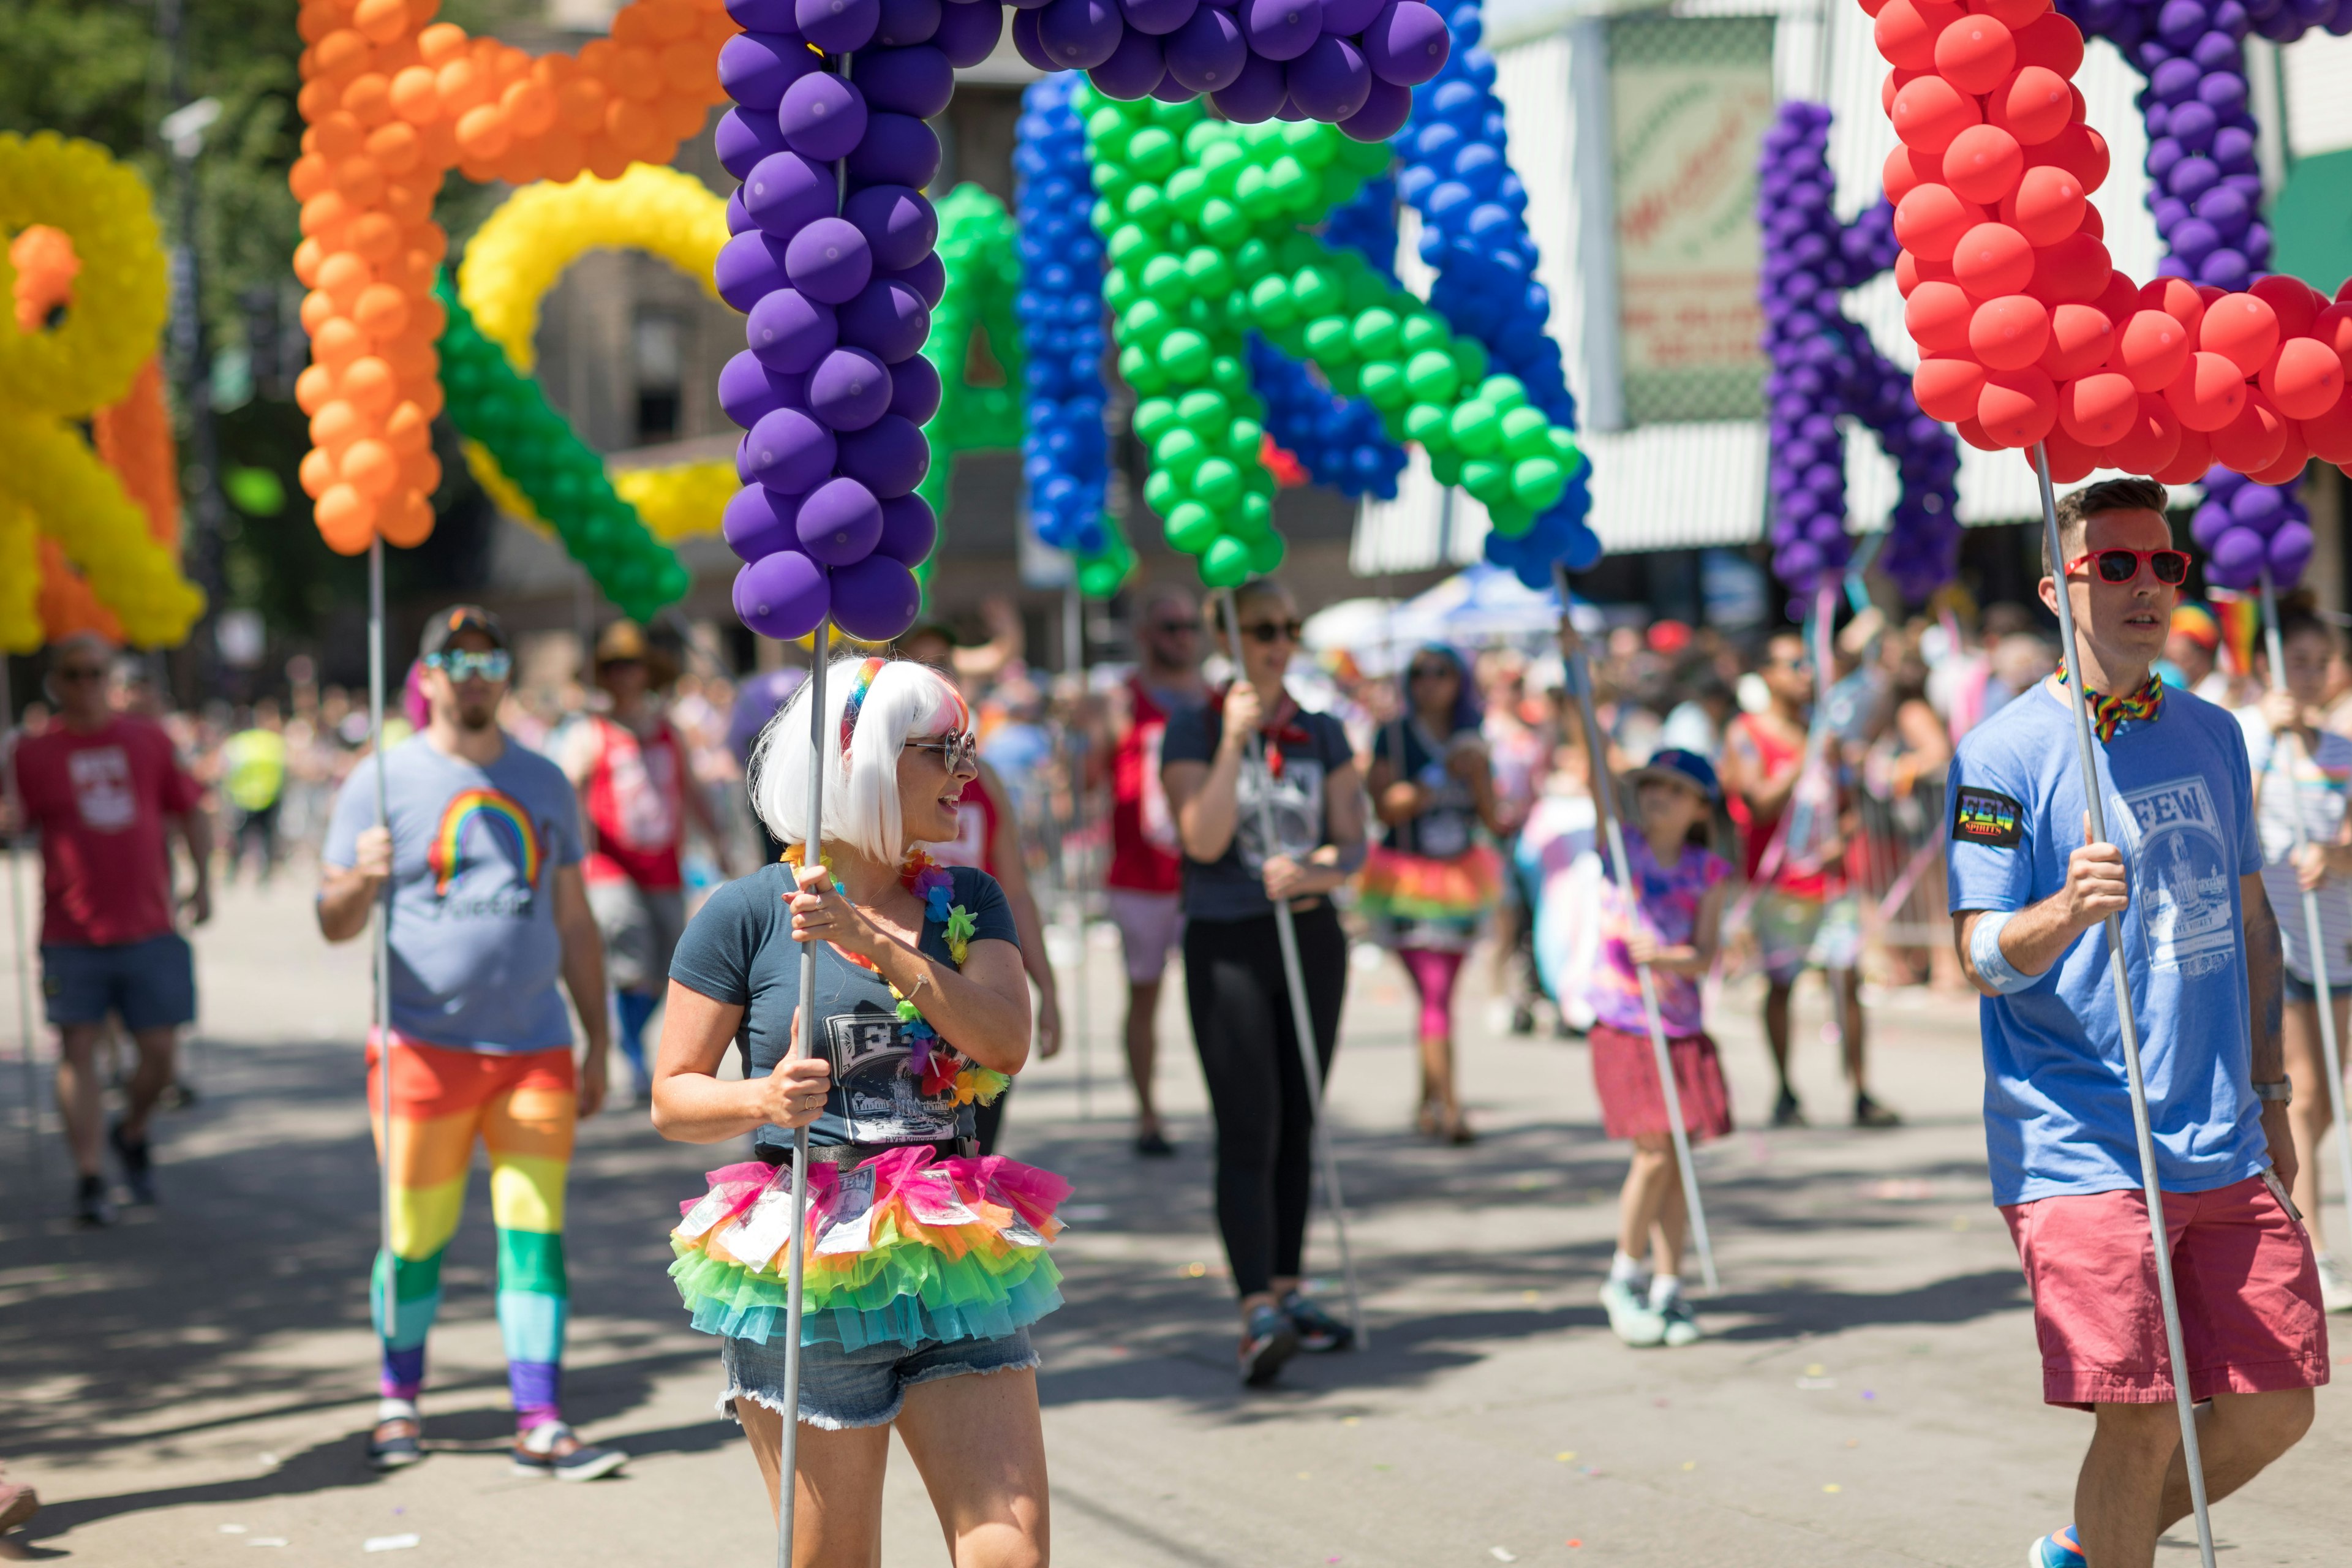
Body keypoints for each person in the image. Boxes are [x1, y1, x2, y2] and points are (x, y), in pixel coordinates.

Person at [1945, 479, 2324, 1568]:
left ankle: (2093, 1544)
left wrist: (2275, 1093)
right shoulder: (2005, 754)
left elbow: (2254, 924)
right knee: (2145, 1411)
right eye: (2116, 565)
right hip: (2081, 1144)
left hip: (2223, 1135)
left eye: (2164, 565)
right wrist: (2064, 909)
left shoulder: (2212, 732)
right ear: (2058, 589)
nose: (2148, 585)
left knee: (2275, 1408)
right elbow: (1978, 953)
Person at [650, 656, 1060, 1564]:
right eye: (943, 748)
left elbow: (1004, 1041)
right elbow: (673, 1097)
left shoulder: (968, 899)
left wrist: (872, 940)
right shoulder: (750, 912)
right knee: (835, 1558)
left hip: (954, 1249)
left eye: (971, 746)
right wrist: (763, 1095)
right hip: (812, 1257)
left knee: (1012, 1548)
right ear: (864, 758)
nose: (968, 770)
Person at [317, 606, 622, 1481]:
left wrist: (599, 1040)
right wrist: (361, 882)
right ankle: (398, 1400)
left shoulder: (544, 780)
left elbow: (574, 920)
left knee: (536, 1231)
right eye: (458, 658)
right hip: (419, 1048)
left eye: (491, 659)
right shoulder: (380, 781)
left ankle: (541, 1417)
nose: (477, 672)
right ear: (429, 673)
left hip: (534, 1049)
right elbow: (332, 920)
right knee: (416, 1234)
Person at [1163, 578, 1368, 1385]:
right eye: (1261, 629)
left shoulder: (1323, 730)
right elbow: (1201, 838)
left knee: (1299, 1115)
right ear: (1230, 638)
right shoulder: (1193, 723)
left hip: (1309, 935)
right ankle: (1256, 1308)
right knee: (1249, 1122)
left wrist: (1316, 870)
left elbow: (1354, 844)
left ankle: (1290, 1287)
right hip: (1229, 940)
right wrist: (1230, 740)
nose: (1279, 641)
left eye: (1289, 626)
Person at [4, 632, 211, 1227]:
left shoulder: (147, 739)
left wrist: (204, 883)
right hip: (70, 933)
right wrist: (9, 822)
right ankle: (91, 1175)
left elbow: (190, 807)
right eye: (74, 674)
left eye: (97, 672)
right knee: (78, 1051)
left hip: (149, 924)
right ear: (56, 682)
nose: (87, 684)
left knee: (161, 1056)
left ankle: (134, 1127)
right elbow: (13, 823)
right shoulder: (31, 754)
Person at [1582, 747, 1733, 1349]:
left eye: (1674, 789)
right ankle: (1624, 1273)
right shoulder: (1620, 849)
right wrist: (1575, 688)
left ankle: (1670, 1284)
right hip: (1626, 1023)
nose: (1658, 796)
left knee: (1676, 1161)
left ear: (1700, 807)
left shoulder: (1709, 871)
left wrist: (1665, 957)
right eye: (1651, 786)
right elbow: (1596, 777)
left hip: (1680, 1027)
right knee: (1651, 1151)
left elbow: (1702, 956)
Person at [1721, 628, 1898, 1128]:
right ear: (1766, 676)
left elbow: (1847, 803)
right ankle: (1785, 1089)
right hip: (1778, 885)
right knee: (1782, 985)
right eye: (1791, 664)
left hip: (1831, 882)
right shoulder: (1746, 734)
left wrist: (1843, 836)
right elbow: (1755, 803)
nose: (1804, 673)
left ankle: (1861, 1090)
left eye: (1806, 664)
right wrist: (1804, 759)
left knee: (1849, 981)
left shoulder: (1825, 732)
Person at [900, 625, 1061, 1155]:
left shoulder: (982, 777)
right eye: (922, 668)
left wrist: (1047, 989)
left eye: (945, 665)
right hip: (896, 992)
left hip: (978, 983)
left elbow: (1014, 891)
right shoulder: (872, 786)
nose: (937, 680)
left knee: (975, 1159)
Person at [560, 620, 734, 1098]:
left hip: (663, 864)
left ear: (645, 672)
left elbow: (694, 790)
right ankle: (627, 1050)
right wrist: (567, 848)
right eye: (614, 666)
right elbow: (569, 785)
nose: (624, 675)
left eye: (631, 665)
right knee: (628, 944)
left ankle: (629, 1036)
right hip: (610, 866)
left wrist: (718, 838)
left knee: (668, 964)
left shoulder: (668, 731)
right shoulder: (591, 733)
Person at [2237, 607, 2352, 1313]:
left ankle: (2291, 1219)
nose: (2309, 673)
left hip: (2336, 934)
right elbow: (2235, 826)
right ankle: (2313, 1248)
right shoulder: (2247, 737)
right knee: (2303, 1094)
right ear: (2265, 668)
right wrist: (2268, 740)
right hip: (2279, 939)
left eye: (2321, 660)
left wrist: (2335, 855)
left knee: (2326, 1104)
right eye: (2296, 660)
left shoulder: (2341, 747)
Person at [1362, 643, 1504, 1144]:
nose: (1431, 683)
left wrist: (1479, 772)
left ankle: (1428, 1101)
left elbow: (1494, 820)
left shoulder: (1474, 737)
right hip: (1406, 879)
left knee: (1439, 998)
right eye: (1420, 673)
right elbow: (1385, 807)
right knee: (1435, 997)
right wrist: (1439, 774)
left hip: (1462, 877)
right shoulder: (1394, 735)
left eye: (1442, 673)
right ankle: (1450, 1108)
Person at [1103, 585, 1208, 1155]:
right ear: (1146, 636)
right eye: (1171, 627)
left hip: (1204, 875)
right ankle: (1148, 1114)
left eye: (1190, 626)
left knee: (1215, 994)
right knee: (1145, 996)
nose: (1183, 637)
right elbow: (1092, 772)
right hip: (1140, 877)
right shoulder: (1125, 699)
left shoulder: (1217, 699)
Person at [222, 701, 288, 883]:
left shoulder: (239, 742)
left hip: (244, 798)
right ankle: (261, 875)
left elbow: (226, 769)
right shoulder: (275, 742)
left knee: (240, 839)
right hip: (266, 798)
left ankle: (234, 874)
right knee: (263, 839)